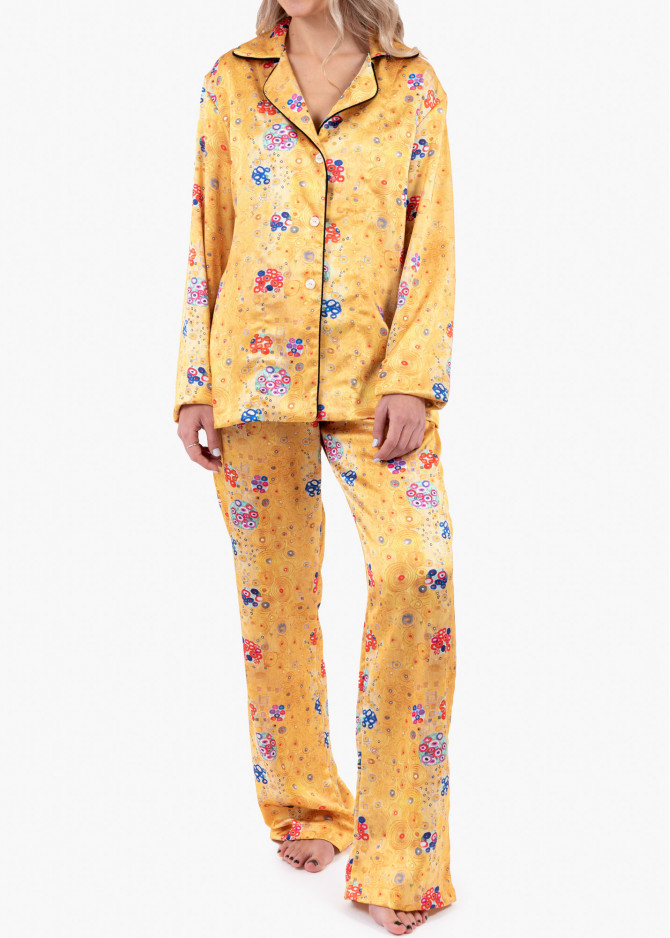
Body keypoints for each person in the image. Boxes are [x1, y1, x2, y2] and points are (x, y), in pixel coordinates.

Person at [173, 1, 456, 933]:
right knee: (275, 607)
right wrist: (194, 381)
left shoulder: (411, 85)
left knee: (418, 571)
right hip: (252, 375)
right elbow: (209, 230)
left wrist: (414, 378)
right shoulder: (233, 78)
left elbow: (432, 243)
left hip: (377, 383)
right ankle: (306, 804)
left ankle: (400, 855)